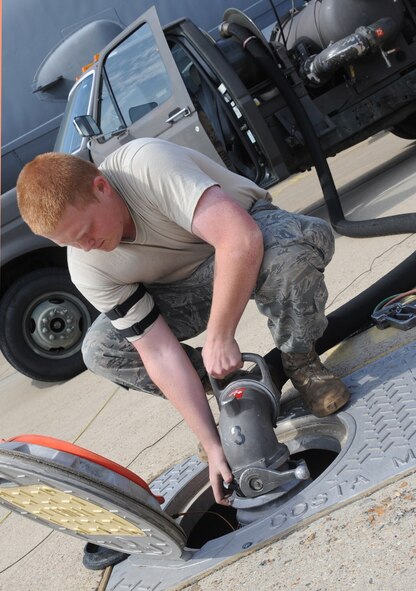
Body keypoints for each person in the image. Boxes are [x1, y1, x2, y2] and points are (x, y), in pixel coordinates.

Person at [17, 138, 350, 505]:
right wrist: (213, 442)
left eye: (86, 233)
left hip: (252, 236)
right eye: (72, 244)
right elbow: (157, 351)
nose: (87, 247)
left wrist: (221, 336)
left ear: (101, 187)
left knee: (294, 252)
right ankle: (231, 387)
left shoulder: (145, 165)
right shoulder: (86, 264)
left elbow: (238, 238)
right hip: (182, 289)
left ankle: (301, 363)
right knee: (101, 349)